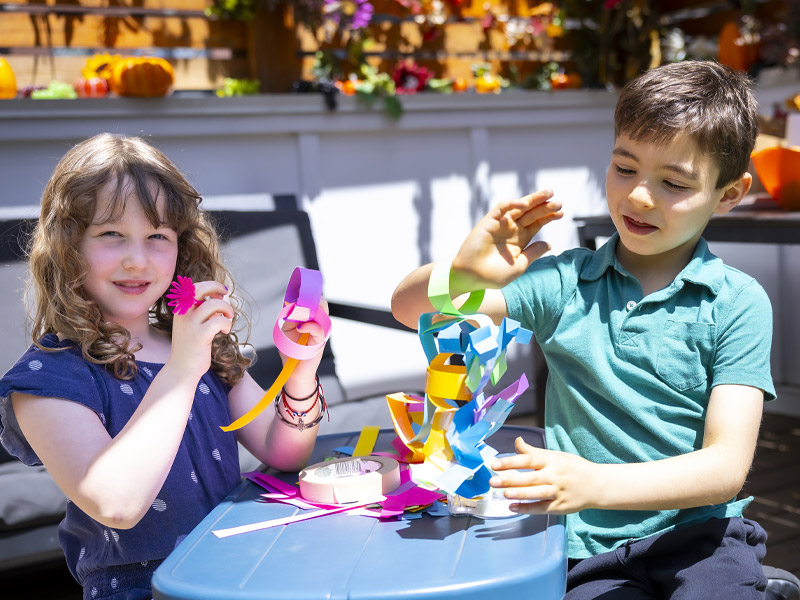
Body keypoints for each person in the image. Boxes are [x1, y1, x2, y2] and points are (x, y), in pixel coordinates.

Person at [392, 60, 774, 598]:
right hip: (588, 551)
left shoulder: (736, 302)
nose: (639, 196)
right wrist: (466, 272)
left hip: (703, 540)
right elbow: (412, 309)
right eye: (625, 168)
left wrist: (594, 482)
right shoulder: (566, 281)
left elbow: (725, 467)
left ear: (729, 193)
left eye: (672, 183)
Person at [0, 133, 328, 599]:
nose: (137, 259)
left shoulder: (200, 349)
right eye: (111, 234)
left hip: (237, 575)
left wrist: (301, 367)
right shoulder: (49, 379)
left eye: (157, 236)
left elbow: (283, 451)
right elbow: (117, 504)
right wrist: (181, 369)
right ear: (69, 246)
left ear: (181, 248)